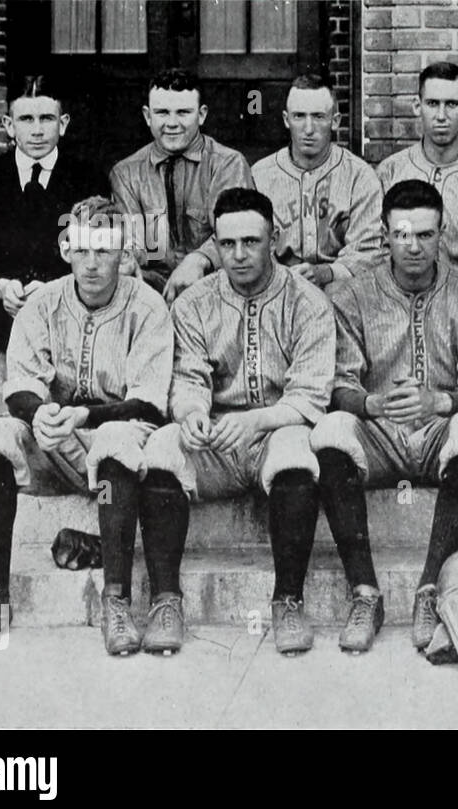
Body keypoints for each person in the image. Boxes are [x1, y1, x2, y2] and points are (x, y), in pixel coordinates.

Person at [0, 196, 172, 656]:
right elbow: (21, 382)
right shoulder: (43, 302)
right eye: (81, 249)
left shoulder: (147, 306)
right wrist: (37, 412)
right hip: (57, 445)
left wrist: (87, 416)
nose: (91, 263)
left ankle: (116, 601)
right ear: (65, 250)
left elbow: (148, 402)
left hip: (117, 464)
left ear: (125, 254)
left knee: (115, 445)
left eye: (104, 251)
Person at [138, 188, 336, 657]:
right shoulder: (194, 303)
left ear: (275, 238)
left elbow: (310, 395)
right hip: (218, 438)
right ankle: (166, 601)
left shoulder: (307, 301)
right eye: (227, 244)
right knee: (163, 447)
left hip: (275, 427)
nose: (240, 255)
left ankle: (288, 601)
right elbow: (186, 379)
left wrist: (257, 423)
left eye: (252, 241)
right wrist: (191, 416)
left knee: (296, 450)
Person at [309, 180, 458, 652]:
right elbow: (336, 383)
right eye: (402, 234)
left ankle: (430, 588)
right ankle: (365, 592)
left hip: (440, 429)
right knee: (330, 431)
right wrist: (371, 404)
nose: (413, 246)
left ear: (442, 234)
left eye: (425, 235)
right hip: (380, 430)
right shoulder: (352, 295)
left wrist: (440, 401)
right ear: (385, 234)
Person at [0, 75, 108, 485]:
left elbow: (97, 249)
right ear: (9, 126)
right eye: (26, 119)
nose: (37, 129)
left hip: (63, 306)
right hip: (5, 307)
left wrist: (57, 287)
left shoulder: (86, 177)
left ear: (63, 123)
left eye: (47, 118)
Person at [109, 68, 252, 301]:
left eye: (183, 112)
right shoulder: (126, 173)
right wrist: (128, 262)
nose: (172, 123)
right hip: (151, 291)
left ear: (202, 115)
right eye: (162, 113)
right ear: (147, 116)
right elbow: (131, 245)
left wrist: (199, 259)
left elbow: (238, 233)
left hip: (219, 287)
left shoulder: (228, 164)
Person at [251, 73, 386, 296]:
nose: (309, 128)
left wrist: (326, 272)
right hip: (274, 290)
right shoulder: (260, 175)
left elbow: (369, 252)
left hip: (341, 291)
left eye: (318, 117)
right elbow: (251, 244)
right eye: (299, 116)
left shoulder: (360, 176)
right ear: (286, 119)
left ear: (335, 121)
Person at [376, 62, 458, 277]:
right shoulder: (390, 171)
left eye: (452, 104)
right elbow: (378, 244)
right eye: (432, 103)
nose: (441, 116)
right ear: (417, 106)